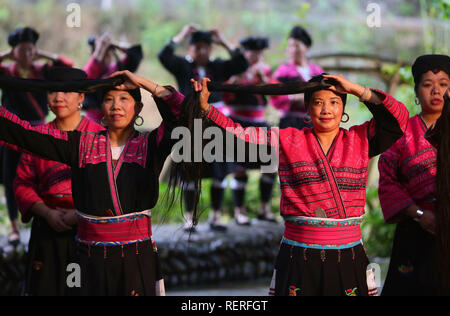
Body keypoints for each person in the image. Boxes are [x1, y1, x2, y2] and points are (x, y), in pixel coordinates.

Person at [191, 73, 409, 296]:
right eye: (318, 102)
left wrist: (357, 90)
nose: (326, 109)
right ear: (307, 108)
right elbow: (242, 135)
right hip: (299, 256)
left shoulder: (360, 139)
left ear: (343, 109)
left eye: (334, 102)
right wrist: (207, 108)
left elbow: (399, 120)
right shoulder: (286, 139)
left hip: (349, 256)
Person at [0, 70, 183, 296]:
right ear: (101, 108)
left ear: (139, 108)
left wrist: (143, 83)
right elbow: (23, 134)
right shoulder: (80, 144)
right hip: (85, 258)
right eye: (108, 99)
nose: (116, 105)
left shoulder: (152, 143)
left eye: (124, 98)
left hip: (136, 256)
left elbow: (181, 112)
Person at [13, 67, 105, 296]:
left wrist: (80, 213)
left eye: (66, 92)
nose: (58, 97)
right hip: (47, 230)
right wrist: (47, 213)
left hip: (89, 230)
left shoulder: (101, 137)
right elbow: (22, 184)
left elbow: (110, 187)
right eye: (52, 91)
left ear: (82, 97)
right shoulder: (36, 137)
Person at [158, 24, 249, 232]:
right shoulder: (182, 67)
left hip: (216, 126)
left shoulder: (218, 67)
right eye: (197, 47)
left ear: (211, 49)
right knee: (189, 172)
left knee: (220, 172)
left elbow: (241, 62)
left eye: (206, 47)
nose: (202, 51)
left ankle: (216, 218)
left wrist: (223, 40)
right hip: (190, 126)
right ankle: (189, 219)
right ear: (190, 49)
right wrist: (181, 35)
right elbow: (163, 55)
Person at [378, 54, 450, 296]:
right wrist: (419, 214)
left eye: (443, 84)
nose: (436, 91)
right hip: (414, 230)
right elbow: (388, 180)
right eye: (428, 85)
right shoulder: (402, 133)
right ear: (417, 93)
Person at [0, 26, 73, 246]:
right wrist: (6, 55)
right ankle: (13, 227)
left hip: (39, 133)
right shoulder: (6, 72)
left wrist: (43, 54)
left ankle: (47, 220)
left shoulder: (42, 71)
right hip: (12, 135)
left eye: (31, 50)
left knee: (44, 178)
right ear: (14, 52)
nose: (27, 55)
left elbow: (67, 67)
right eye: (22, 50)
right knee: (12, 180)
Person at [223, 36, 276, 224]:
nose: (256, 56)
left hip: (260, 123)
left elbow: (275, 94)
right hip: (238, 123)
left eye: (259, 53)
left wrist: (264, 80)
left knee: (271, 163)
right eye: (252, 52)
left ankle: (264, 208)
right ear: (244, 53)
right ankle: (239, 211)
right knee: (239, 167)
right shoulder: (234, 70)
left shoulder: (264, 71)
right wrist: (235, 81)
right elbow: (225, 97)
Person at [271, 25, 324, 129]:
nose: (293, 50)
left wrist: (306, 98)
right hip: (289, 123)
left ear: (307, 47)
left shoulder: (317, 71)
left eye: (297, 46)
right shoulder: (283, 71)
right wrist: (294, 98)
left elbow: (325, 94)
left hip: (313, 123)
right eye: (290, 46)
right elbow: (275, 96)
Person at [83, 33, 144, 122]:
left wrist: (113, 44)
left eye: (108, 55)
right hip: (94, 121)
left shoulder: (116, 69)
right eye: (103, 55)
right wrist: (100, 47)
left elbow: (134, 54)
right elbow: (92, 69)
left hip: (116, 119)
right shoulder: (87, 71)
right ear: (93, 54)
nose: (105, 58)